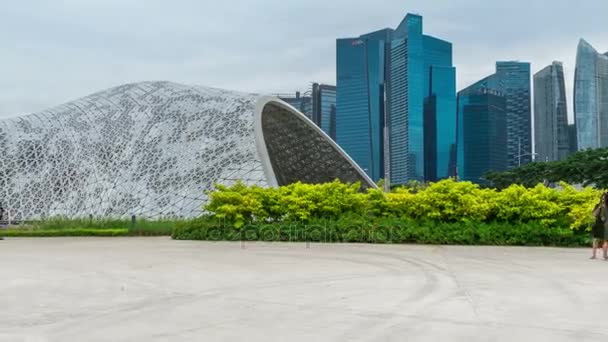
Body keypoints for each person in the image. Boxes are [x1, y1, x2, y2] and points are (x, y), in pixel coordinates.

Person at [591, 193, 608, 260]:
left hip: (605, 225)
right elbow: (594, 214)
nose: (603, 199)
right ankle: (594, 255)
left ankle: (605, 256)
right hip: (598, 224)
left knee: (605, 241)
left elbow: (603, 218)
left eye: (604, 198)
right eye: (602, 198)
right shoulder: (598, 205)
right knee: (595, 240)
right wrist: (600, 207)